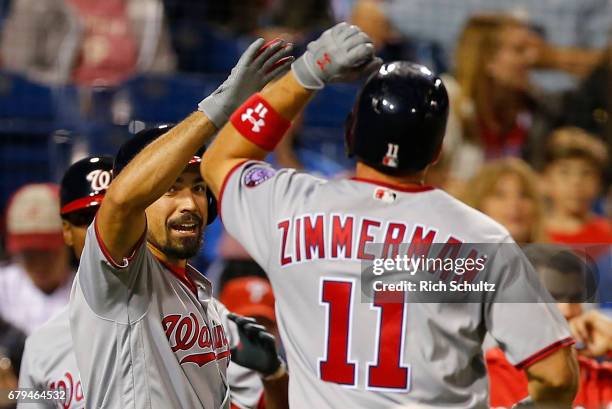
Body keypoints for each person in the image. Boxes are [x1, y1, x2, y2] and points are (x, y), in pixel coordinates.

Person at [199, 22, 578, 408]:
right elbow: (556, 376)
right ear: (436, 151)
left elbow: (220, 160)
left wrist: (310, 70)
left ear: (350, 133)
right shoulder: (481, 238)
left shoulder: (291, 205)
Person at [68, 39, 293, 408]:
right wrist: (219, 108)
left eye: (198, 188)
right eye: (171, 189)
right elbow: (122, 200)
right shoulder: (117, 275)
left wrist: (275, 376)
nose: (190, 203)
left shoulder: (211, 308)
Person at [19, 156, 286, 409]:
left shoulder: (207, 317)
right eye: (88, 219)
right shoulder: (42, 345)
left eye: (111, 217)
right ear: (66, 231)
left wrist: (274, 375)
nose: (102, 230)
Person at [487, 244, 612, 409]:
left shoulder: (598, 378)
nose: (567, 311)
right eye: (552, 298)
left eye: (575, 298)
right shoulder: (482, 379)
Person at [1, 0, 175, 86]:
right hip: (58, 115)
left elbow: (160, 74)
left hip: (127, 112)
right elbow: (16, 74)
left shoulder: (146, 7)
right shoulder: (34, 4)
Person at [0, 184, 72, 335]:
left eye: (47, 252)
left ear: (67, 244)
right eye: (29, 253)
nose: (39, 263)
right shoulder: (5, 286)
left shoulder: (86, 290)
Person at [543, 127, 611, 245]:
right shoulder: (533, 234)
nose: (576, 182)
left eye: (586, 173)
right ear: (546, 179)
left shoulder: (608, 236)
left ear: (598, 182)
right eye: (565, 172)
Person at [462, 158, 544, 243]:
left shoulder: (552, 254)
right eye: (499, 195)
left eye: (523, 195)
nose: (514, 203)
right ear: (477, 205)